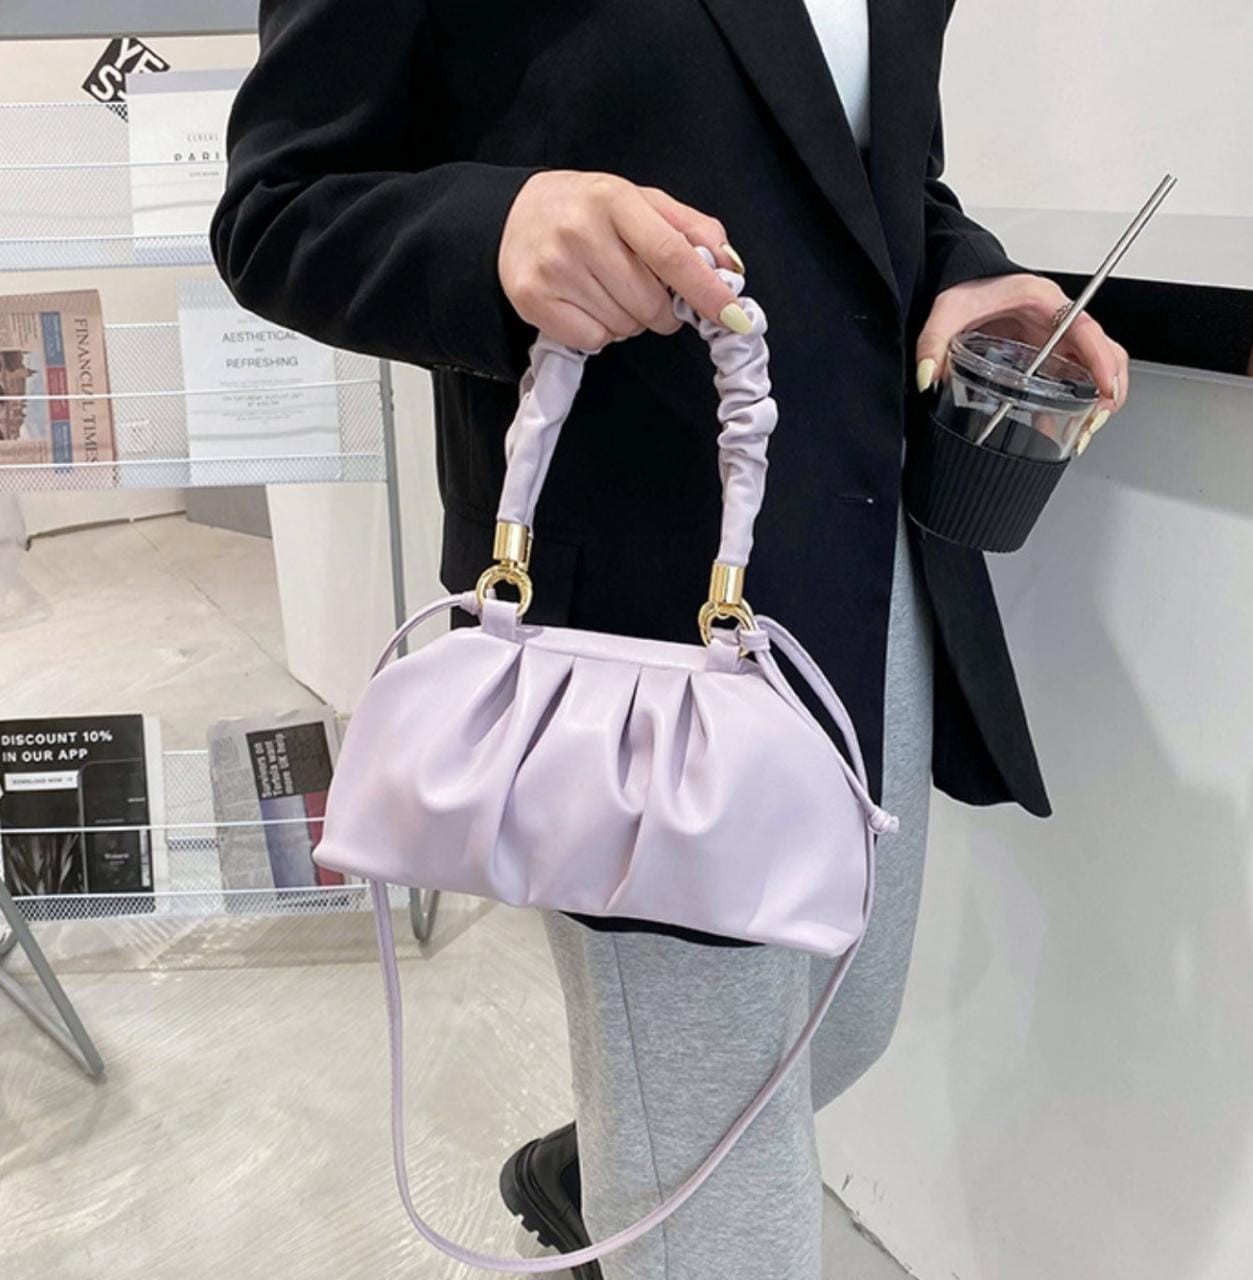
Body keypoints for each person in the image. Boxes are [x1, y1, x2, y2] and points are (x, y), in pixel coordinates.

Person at [210, 2, 1129, 1276]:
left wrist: (963, 265)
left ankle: (596, 1176)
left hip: (869, 564)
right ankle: (634, 1194)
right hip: (633, 606)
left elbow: (864, 172)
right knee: (717, 1169)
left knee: (842, 1021)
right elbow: (280, 207)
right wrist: (500, 227)